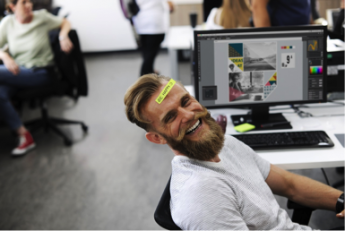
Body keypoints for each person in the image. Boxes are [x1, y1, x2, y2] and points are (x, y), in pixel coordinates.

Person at [124, 73, 345, 230]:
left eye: (186, 101)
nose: (189, 115)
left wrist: (343, 199)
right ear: (157, 138)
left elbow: (290, 185)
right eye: (171, 117)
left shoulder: (224, 142)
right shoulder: (201, 195)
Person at [0, 0, 73, 156]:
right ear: (12, 7)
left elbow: (65, 22)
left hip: (41, 73)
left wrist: (63, 35)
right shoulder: (7, 23)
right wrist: (4, 55)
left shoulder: (42, 17)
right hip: (18, 72)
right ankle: (24, 135)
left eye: (30, 2)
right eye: (23, 2)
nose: (29, 6)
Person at [133, 0, 174, 76]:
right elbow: (168, 6)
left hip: (141, 22)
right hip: (155, 23)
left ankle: (150, 71)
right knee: (150, 54)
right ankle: (144, 77)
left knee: (146, 52)